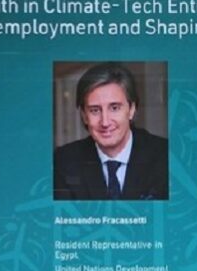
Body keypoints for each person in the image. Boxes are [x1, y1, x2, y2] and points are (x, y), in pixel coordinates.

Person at [53, 62, 169, 200]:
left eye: (114, 108)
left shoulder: (166, 156)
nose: (105, 122)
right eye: (95, 110)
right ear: (84, 116)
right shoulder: (63, 161)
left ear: (131, 109)